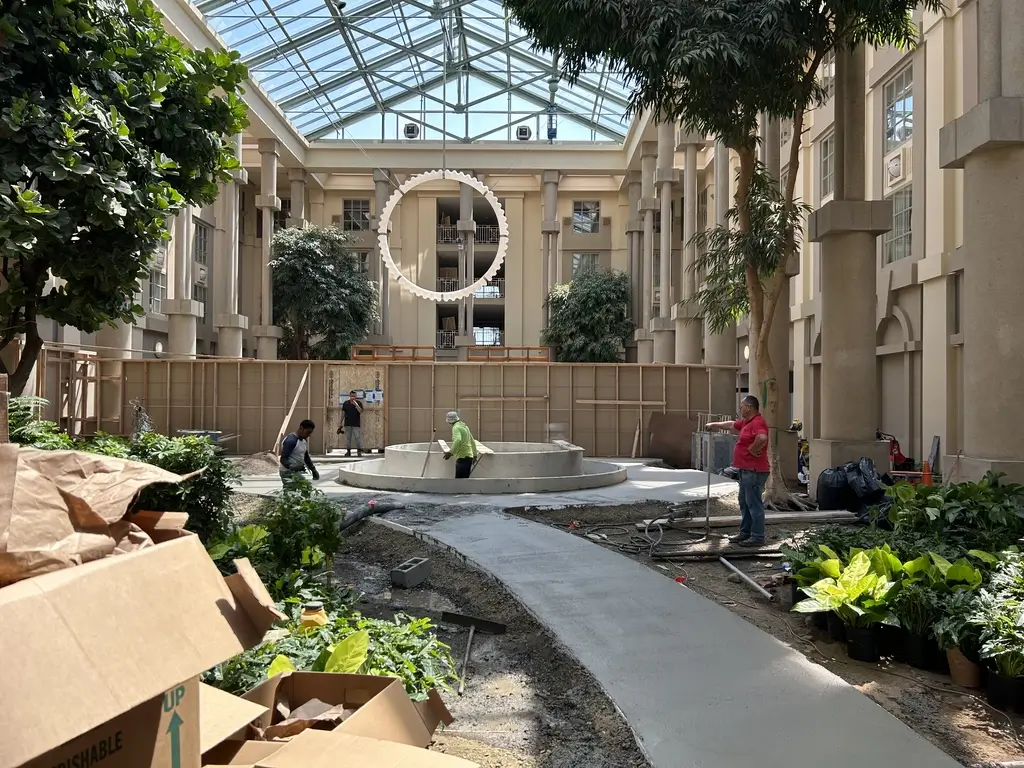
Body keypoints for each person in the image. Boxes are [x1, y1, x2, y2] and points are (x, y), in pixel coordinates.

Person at [706, 395, 770, 547]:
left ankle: (757, 537)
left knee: (754, 504)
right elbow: (731, 425)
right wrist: (714, 424)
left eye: (741, 406)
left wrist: (752, 449)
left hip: (754, 471)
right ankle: (745, 532)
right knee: (744, 502)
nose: (739, 409)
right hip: (745, 470)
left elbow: (762, 438)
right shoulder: (747, 422)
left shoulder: (757, 423)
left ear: (749, 407)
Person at [443, 411, 477, 479]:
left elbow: (458, 439)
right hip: (469, 457)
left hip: (462, 457)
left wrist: (451, 452)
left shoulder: (456, 427)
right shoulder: (465, 426)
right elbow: (472, 441)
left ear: (449, 421)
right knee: (465, 481)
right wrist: (475, 455)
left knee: (459, 482)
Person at [340, 390, 364, 457]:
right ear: (349, 396)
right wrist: (340, 422)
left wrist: (356, 405)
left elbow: (360, 411)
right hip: (347, 423)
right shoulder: (346, 403)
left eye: (354, 396)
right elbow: (343, 413)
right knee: (348, 438)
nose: (353, 397)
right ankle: (348, 451)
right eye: (351, 396)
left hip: (356, 424)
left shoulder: (358, 403)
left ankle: (359, 451)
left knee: (357, 437)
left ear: (356, 396)